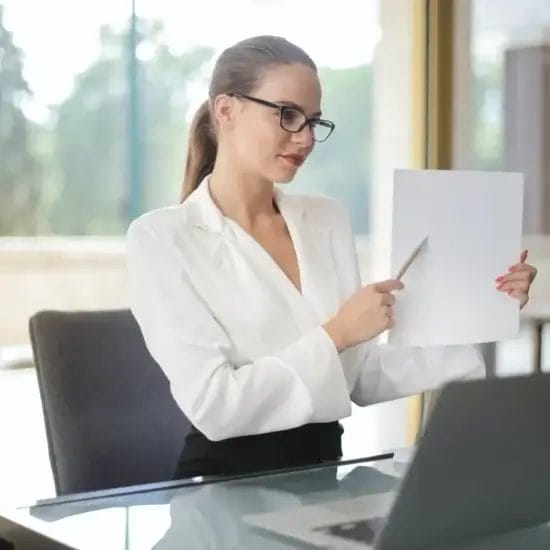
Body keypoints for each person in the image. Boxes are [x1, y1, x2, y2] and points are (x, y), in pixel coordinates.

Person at [126, 35, 538, 479]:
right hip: (224, 486)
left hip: (324, 474)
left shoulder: (325, 219)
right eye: (287, 115)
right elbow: (215, 405)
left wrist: (484, 311)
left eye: (313, 121)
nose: (304, 138)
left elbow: (357, 376)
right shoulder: (161, 238)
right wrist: (338, 332)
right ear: (226, 110)